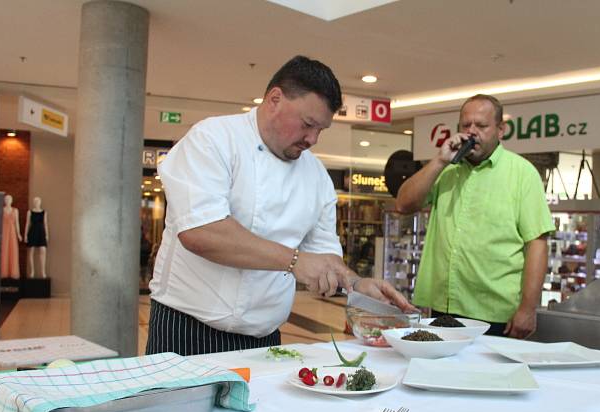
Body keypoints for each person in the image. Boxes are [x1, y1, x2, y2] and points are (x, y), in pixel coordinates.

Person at [147, 55, 412, 355]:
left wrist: (355, 283)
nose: (312, 139)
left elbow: (324, 254)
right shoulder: (213, 139)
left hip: (266, 338)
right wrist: (296, 262)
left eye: (321, 130)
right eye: (307, 124)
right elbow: (201, 232)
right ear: (275, 99)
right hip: (186, 329)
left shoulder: (317, 176)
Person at [396, 94, 554, 338]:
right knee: (443, 376)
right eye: (465, 125)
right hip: (444, 308)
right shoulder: (447, 170)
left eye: (481, 126)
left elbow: (537, 243)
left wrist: (528, 308)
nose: (472, 132)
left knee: (489, 376)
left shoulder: (522, 174)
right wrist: (439, 160)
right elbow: (404, 204)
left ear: (501, 129)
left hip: (496, 313)